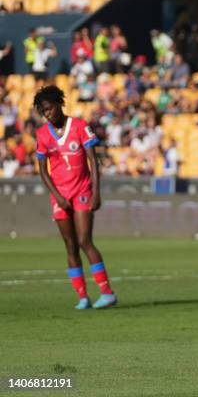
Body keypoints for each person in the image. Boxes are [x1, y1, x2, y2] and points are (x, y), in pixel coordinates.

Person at [33, 85, 117, 310]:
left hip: (82, 191)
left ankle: (107, 293)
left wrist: (96, 192)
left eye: (50, 108)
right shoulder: (42, 134)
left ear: (59, 104)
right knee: (70, 246)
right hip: (60, 196)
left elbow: (93, 161)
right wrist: (57, 196)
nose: (48, 114)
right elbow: (42, 170)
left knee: (84, 240)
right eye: (44, 111)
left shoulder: (79, 126)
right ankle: (82, 297)